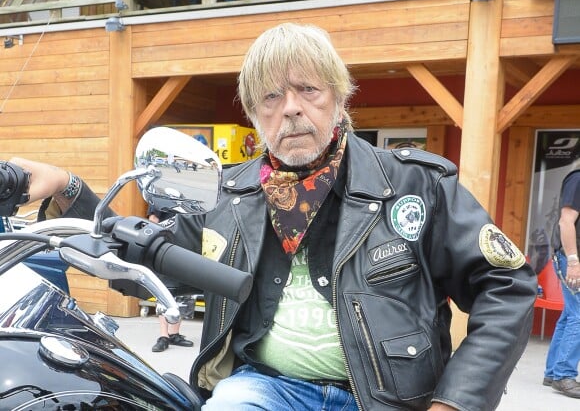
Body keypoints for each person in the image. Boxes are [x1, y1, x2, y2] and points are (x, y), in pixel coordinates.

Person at [11, 22, 537, 410]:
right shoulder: (228, 195)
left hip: (386, 399)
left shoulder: (415, 185)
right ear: (254, 112)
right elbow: (145, 261)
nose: (291, 108)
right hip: (265, 389)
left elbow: (507, 285)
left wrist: (456, 402)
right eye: (271, 95)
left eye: (308, 89)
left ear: (338, 96)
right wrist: (67, 188)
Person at [544, 168, 580, 398]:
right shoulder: (578, 179)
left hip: (572, 258)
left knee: (570, 314)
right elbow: (565, 222)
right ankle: (563, 375)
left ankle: (552, 372)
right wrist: (574, 261)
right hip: (573, 259)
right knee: (579, 316)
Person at [147, 207, 194, 353]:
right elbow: (153, 220)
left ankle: (174, 334)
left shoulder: (191, 196)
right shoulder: (162, 193)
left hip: (186, 247)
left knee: (183, 290)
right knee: (164, 291)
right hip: (166, 247)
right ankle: (164, 336)